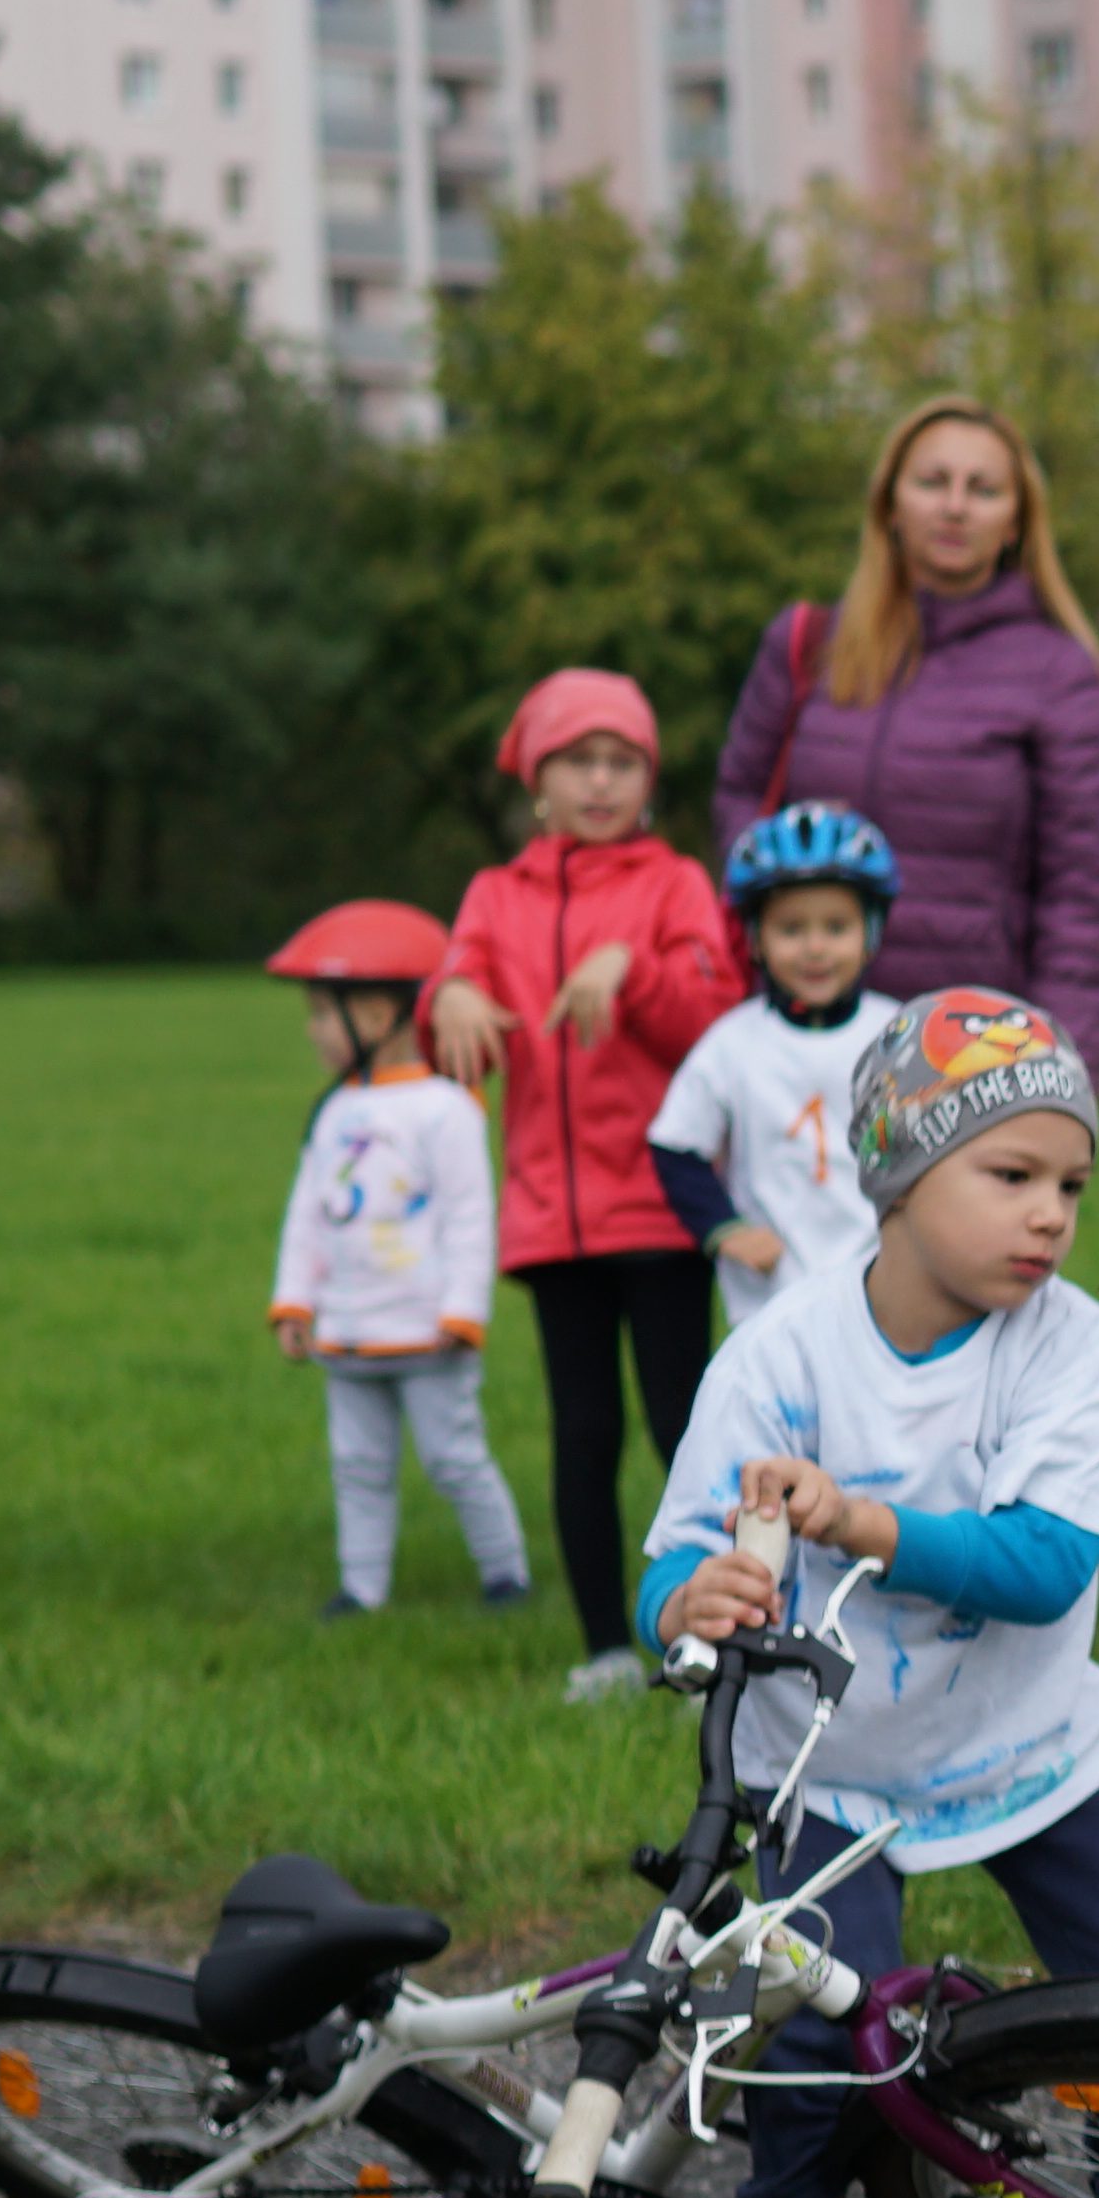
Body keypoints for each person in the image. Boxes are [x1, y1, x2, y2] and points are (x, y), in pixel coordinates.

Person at [640, 990, 1099, 2198]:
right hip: (826, 1765)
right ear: (896, 1175)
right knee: (807, 2020)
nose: (1050, 1216)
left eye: (1071, 1184)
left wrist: (860, 1522)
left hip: (1026, 1742)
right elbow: (671, 1558)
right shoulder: (781, 1353)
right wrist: (688, 1600)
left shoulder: (1070, 1345)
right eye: (1010, 1175)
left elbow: (1044, 1564)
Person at [427, 666, 740, 1703]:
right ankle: (607, 1647)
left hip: (658, 1206)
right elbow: (453, 1003)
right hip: (553, 1218)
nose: (601, 782)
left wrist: (629, 969)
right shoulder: (496, 896)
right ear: (537, 783)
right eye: (578, 762)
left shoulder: (675, 885)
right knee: (585, 1434)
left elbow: (715, 1017)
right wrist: (450, 994)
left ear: (648, 781)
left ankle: (713, 1636)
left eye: (622, 762)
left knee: (684, 1430)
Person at [711, 399, 1099, 1076]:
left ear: (1016, 523)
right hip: (801, 1043)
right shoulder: (809, 645)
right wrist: (785, 882)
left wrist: (1058, 1078)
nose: (955, 507)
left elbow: (1080, 905)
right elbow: (739, 796)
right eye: (933, 482)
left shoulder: (1059, 673)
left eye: (984, 489)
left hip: (968, 1054)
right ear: (889, 505)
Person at [261, 897, 531, 1621]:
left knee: (454, 1458)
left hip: (427, 1333)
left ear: (378, 1016)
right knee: (358, 1466)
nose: (314, 1030)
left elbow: (471, 1219)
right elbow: (307, 1217)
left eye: (324, 1014)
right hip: (348, 1331)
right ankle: (362, 1589)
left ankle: (506, 1574)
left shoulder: (446, 1108)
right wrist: (294, 1302)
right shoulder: (332, 1112)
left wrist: (463, 1312)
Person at [649, 804, 898, 1328]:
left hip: (885, 1293)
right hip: (768, 1307)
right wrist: (724, 1229)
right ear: (756, 938)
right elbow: (675, 1144)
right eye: (790, 929)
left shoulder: (899, 1035)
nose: (815, 948)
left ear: (870, 931)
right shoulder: (734, 1042)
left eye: (836, 927)